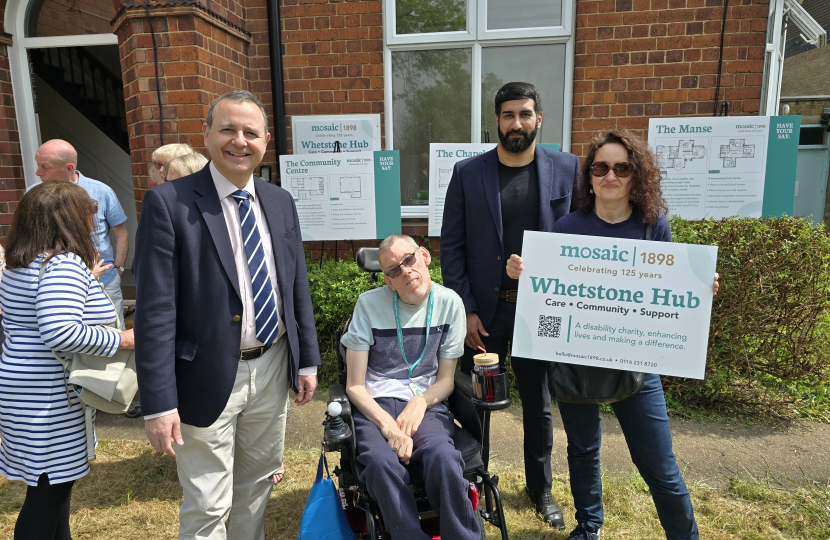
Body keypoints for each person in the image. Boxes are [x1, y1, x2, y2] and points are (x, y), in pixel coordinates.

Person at [506, 128, 719, 540]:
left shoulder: (653, 226)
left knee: (658, 462)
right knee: (583, 451)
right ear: (589, 176)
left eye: (621, 167)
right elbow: (548, 288)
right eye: (600, 167)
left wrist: (696, 289)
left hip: (637, 365)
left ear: (636, 175)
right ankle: (589, 529)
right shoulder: (567, 227)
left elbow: (667, 294)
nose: (610, 176)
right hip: (575, 363)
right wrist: (522, 273)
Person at [134, 90, 321, 540]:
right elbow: (156, 312)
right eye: (228, 129)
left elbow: (296, 285)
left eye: (251, 132)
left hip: (273, 366)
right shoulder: (168, 203)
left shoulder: (280, 202)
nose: (240, 141)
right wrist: (158, 402)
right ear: (206, 135)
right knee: (207, 502)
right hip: (205, 374)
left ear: (265, 141)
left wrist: (307, 359)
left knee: (256, 487)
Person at [439, 81, 579, 529]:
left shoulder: (568, 169)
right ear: (496, 121)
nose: (515, 123)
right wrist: (465, 310)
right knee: (473, 402)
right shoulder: (468, 173)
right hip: (486, 312)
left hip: (543, 312)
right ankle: (472, 482)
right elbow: (452, 247)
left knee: (538, 404)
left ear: (539, 119)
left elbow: (588, 237)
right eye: (507, 115)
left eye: (524, 114)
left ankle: (540, 488)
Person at [0, 182, 135, 540]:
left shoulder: (22, 261)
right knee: (48, 494)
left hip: (23, 389)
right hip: (50, 398)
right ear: (67, 218)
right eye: (88, 208)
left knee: (49, 487)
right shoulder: (62, 265)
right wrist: (122, 338)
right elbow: (61, 332)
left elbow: (36, 311)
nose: (93, 216)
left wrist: (84, 281)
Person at [341, 234, 480, 540]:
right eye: (394, 270)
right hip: (376, 404)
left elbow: (445, 380)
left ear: (425, 257)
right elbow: (354, 386)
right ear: (389, 282)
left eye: (409, 259)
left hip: (427, 403)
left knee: (442, 458)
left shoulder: (450, 303)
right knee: (379, 464)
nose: (405, 271)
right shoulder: (368, 305)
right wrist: (390, 427)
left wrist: (419, 403)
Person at [32, 139, 130, 329]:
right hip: (56, 285)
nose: (38, 172)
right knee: (71, 340)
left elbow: (121, 234)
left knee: (114, 335)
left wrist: (118, 270)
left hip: (104, 281)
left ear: (68, 168)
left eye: (45, 166)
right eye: (38, 165)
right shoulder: (33, 196)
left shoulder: (101, 191)